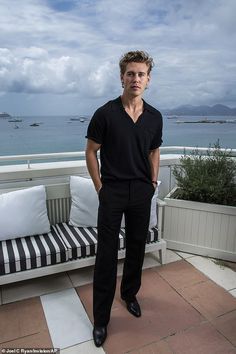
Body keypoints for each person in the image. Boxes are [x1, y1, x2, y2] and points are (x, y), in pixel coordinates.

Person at [85, 50, 163, 347]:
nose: (135, 78)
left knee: (136, 248)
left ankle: (130, 294)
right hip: (112, 192)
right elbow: (91, 151)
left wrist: (153, 181)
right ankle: (101, 319)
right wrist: (100, 187)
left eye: (141, 74)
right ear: (122, 77)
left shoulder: (154, 117)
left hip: (142, 191)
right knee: (106, 255)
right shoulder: (105, 113)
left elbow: (154, 150)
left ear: (148, 79)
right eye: (130, 73)